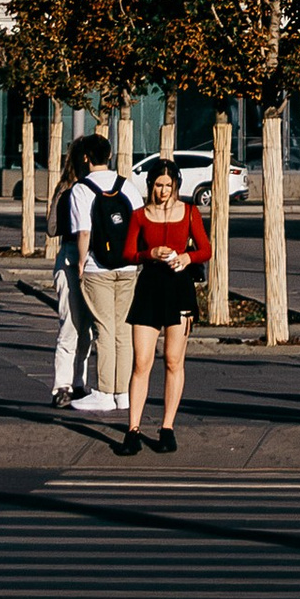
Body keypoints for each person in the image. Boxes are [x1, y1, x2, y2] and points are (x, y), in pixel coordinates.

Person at [120, 157, 211, 453]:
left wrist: (187, 257)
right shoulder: (139, 215)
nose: (162, 191)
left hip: (179, 290)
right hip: (149, 289)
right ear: (150, 185)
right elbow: (128, 252)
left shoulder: (189, 212)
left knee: (173, 360)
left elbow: (205, 249)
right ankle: (132, 430)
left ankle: (167, 427)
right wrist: (150, 253)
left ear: (176, 186)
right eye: (158, 185)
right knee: (141, 361)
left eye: (168, 185)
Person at [72, 131, 140, 415]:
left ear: (86, 158)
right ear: (110, 156)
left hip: (96, 267)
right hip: (128, 266)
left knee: (104, 329)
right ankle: (123, 393)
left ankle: (103, 392)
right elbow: (139, 224)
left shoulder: (82, 188)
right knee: (124, 330)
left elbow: (84, 232)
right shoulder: (128, 186)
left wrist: (79, 263)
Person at [48, 136, 97, 404]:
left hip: (68, 254)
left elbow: (52, 227)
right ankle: (75, 383)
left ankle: (66, 385)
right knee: (85, 326)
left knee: (71, 323)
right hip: (96, 258)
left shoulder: (66, 187)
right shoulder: (103, 187)